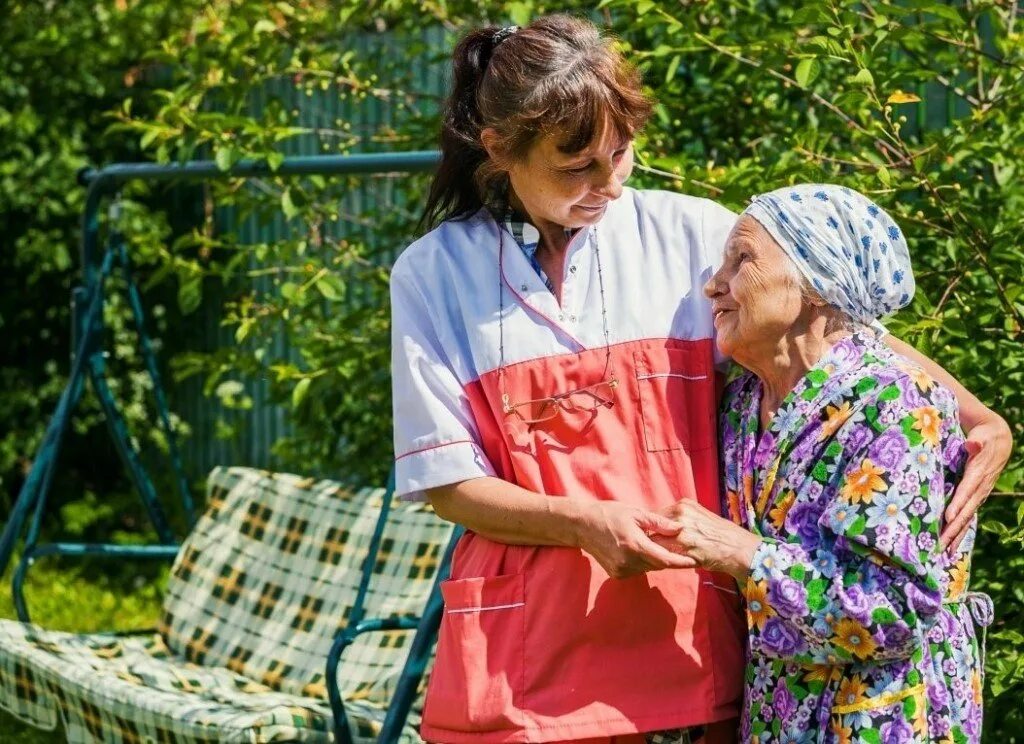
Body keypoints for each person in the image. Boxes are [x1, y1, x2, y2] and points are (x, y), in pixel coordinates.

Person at [389, 15, 1010, 744]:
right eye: (577, 166)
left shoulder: (688, 233)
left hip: (690, 642)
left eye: (621, 155)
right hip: (530, 647)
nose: (611, 185)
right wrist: (583, 523)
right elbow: (446, 481)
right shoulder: (433, 275)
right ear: (499, 150)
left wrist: (977, 416)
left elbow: (829, 315)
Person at [657, 184, 993, 743]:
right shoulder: (745, 402)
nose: (713, 284)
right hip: (775, 712)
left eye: (741, 259)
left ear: (817, 280)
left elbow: (892, 611)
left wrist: (740, 551)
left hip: (881, 716)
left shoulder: (895, 403)